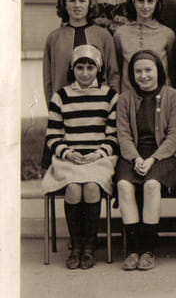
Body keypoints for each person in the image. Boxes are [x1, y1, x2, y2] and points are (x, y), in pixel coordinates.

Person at [41, 45, 118, 270]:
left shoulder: (110, 96)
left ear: (98, 69)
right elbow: (53, 136)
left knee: (92, 187)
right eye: (80, 67)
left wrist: (98, 153)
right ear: (72, 69)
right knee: (74, 189)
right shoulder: (61, 96)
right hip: (69, 158)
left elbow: (113, 136)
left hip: (99, 158)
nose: (85, 73)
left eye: (90, 68)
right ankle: (76, 246)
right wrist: (68, 153)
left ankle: (89, 247)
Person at [115, 50, 176, 271]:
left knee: (152, 185)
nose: (143, 75)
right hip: (132, 154)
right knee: (124, 186)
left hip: (163, 155)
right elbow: (123, 135)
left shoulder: (173, 96)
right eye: (138, 71)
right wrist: (135, 158)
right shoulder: (124, 99)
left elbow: (174, 137)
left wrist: (152, 159)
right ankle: (133, 250)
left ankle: (148, 250)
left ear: (158, 71)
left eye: (148, 70)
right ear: (132, 74)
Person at [43, 0, 120, 105]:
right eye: (72, 0)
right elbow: (48, 81)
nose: (77, 5)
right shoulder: (54, 38)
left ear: (90, 4)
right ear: (64, 4)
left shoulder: (104, 36)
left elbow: (113, 75)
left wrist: (113, 106)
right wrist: (53, 108)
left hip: (99, 107)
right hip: (66, 107)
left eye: (82, 1)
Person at [114, 0, 175, 92]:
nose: (145, 6)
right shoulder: (120, 33)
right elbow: (118, 68)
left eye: (150, 1)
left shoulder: (167, 34)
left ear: (157, 3)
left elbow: (172, 70)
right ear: (133, 2)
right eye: (140, 1)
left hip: (160, 95)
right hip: (130, 95)